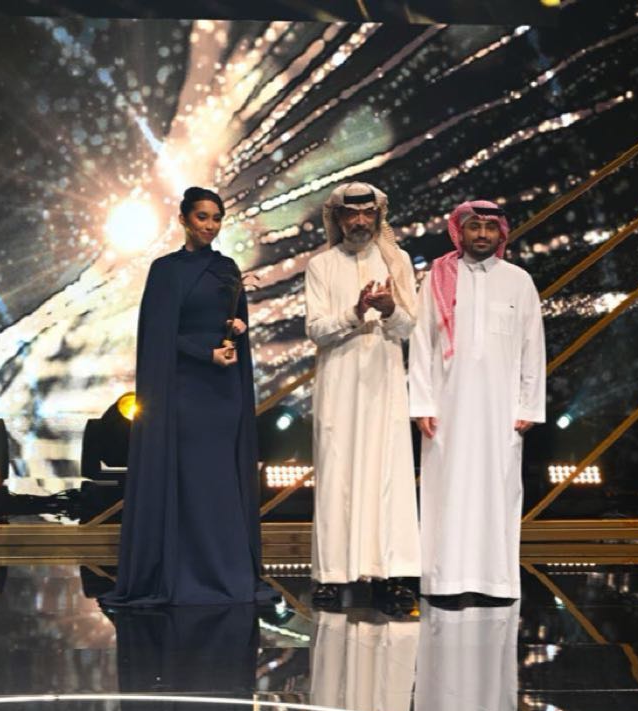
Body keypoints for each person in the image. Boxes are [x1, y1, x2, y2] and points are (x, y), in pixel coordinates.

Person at [103, 187, 277, 607]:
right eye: (202, 217)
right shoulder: (166, 270)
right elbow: (159, 336)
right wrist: (205, 353)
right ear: (183, 219)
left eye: (217, 218)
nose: (210, 226)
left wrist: (237, 330)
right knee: (191, 480)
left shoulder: (226, 268)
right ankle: (185, 574)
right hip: (185, 391)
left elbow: (234, 322)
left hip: (223, 393)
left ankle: (227, 572)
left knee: (220, 481)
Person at [409, 200, 545, 600]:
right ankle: (444, 581)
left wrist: (528, 404)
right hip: (446, 407)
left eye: (489, 227)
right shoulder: (436, 279)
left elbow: (532, 346)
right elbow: (421, 343)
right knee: (446, 490)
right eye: (474, 226)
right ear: (460, 231)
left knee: (498, 490)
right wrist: (422, 404)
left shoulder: (518, 281)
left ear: (501, 233)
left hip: (501, 410)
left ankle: (495, 582)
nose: (482, 234)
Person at [304, 182, 421, 609]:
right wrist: (355, 313)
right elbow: (316, 330)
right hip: (338, 384)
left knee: (387, 475)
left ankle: (389, 575)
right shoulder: (321, 265)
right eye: (351, 214)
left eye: (367, 214)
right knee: (337, 475)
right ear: (337, 218)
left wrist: (389, 310)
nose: (359, 221)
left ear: (377, 216)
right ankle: (331, 577)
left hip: (384, 384)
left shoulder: (397, 261)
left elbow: (410, 326)